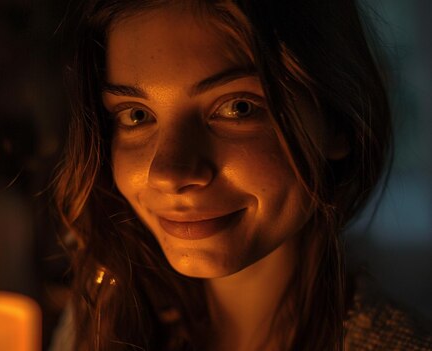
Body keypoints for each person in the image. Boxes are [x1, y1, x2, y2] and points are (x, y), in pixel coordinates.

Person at [51, 0, 431, 350]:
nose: (170, 173)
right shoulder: (101, 319)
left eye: (237, 107)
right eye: (136, 115)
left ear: (335, 121)